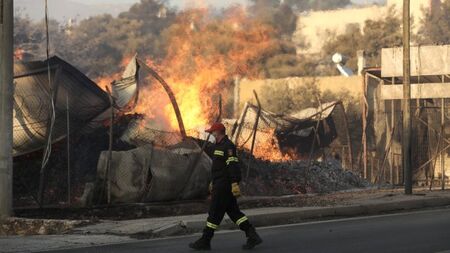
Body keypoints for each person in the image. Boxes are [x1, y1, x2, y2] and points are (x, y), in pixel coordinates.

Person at [189, 122, 263, 250]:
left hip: (224, 186)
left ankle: (205, 241)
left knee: (214, 214)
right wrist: (213, 181)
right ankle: (252, 235)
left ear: (218, 132)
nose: (211, 134)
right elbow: (219, 167)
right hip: (219, 183)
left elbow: (232, 166)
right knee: (235, 214)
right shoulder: (218, 146)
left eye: (212, 132)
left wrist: (234, 182)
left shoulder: (228, 147)